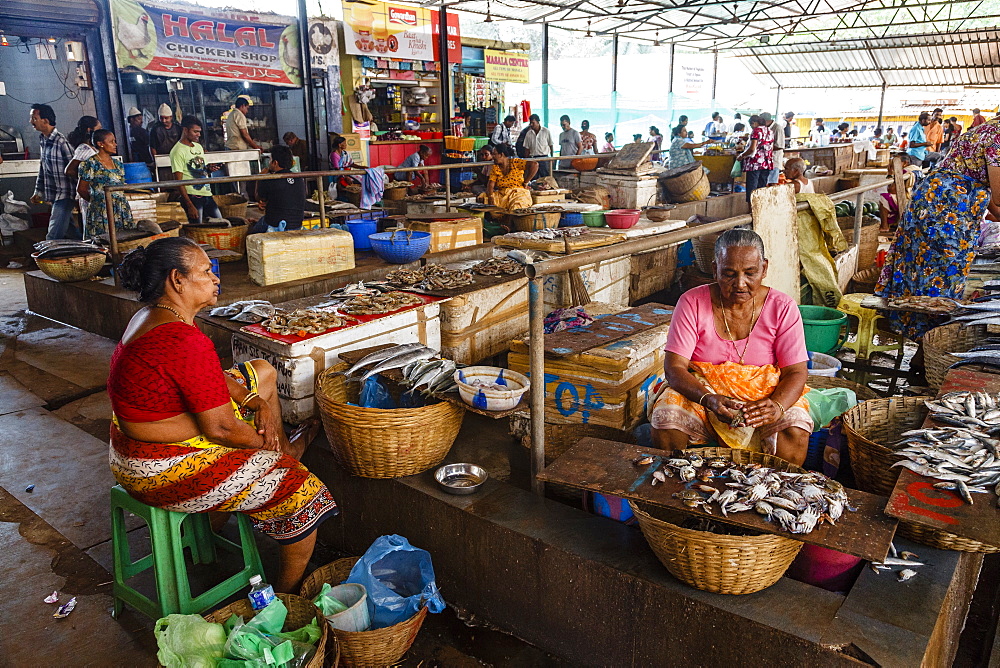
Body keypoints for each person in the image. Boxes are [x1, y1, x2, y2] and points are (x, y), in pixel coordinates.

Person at [108, 236, 336, 593]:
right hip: (155, 466)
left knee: (263, 372)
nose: (215, 277)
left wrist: (252, 400)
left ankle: (224, 512)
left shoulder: (154, 316)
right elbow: (221, 429)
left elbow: (209, 375)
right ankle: (288, 594)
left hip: (131, 445)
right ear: (177, 280)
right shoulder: (182, 339)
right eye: (205, 271)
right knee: (301, 490)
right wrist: (266, 445)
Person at [649, 229, 811, 464]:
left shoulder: (783, 307)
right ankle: (676, 480)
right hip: (705, 396)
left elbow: (796, 372)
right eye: (729, 274)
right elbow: (675, 368)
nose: (740, 284)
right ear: (714, 270)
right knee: (667, 415)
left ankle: (775, 488)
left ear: (764, 269)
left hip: (764, 398)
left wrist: (777, 405)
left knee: (794, 424)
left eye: (750, 273)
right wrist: (708, 399)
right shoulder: (691, 302)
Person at [875, 117, 1000, 380]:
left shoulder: (986, 131)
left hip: (941, 205)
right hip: (944, 212)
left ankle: (922, 361)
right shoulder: (997, 137)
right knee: (940, 284)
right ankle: (924, 364)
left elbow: (991, 198)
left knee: (935, 281)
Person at [29, 103, 79, 241]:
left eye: (34, 118)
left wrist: (80, 196)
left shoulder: (61, 142)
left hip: (65, 195)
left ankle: (47, 259)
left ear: (45, 121)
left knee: (53, 236)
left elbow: (75, 170)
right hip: (54, 194)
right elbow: (43, 168)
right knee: (70, 233)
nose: (31, 121)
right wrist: (38, 191)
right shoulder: (43, 140)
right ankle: (86, 253)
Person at [77, 130, 136, 238]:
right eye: (111, 142)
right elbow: (81, 189)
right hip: (101, 211)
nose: (115, 144)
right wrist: (98, 201)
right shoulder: (90, 163)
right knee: (104, 242)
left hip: (121, 209)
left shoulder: (118, 164)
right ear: (101, 144)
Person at [170, 117, 222, 223]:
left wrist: (209, 169)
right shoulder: (177, 151)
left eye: (199, 132)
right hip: (192, 196)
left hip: (207, 193)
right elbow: (179, 182)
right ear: (185, 130)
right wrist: (189, 205)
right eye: (195, 131)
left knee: (221, 223)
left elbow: (201, 170)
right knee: (197, 228)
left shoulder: (198, 147)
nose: (198, 134)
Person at [249, 145, 306, 234]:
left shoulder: (270, 179)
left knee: (250, 235)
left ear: (275, 163)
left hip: (275, 224)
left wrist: (260, 177)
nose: (269, 162)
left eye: (270, 160)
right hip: (297, 225)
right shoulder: (299, 179)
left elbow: (258, 197)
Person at [65, 115, 102, 237]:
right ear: (89, 130)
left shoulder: (91, 148)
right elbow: (69, 170)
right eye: (98, 129)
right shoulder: (84, 148)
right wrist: (88, 178)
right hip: (87, 192)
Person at [483, 144, 538, 211]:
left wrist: (526, 181)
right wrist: (490, 196)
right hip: (503, 195)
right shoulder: (495, 167)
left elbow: (534, 165)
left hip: (517, 193)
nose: (493, 157)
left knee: (516, 207)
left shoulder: (516, 162)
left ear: (501, 155)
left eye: (494, 154)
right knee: (483, 198)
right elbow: (491, 184)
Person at [737, 114, 774, 204]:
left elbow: (752, 148)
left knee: (752, 189)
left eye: (751, 125)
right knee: (761, 187)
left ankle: (751, 210)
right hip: (767, 162)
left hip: (755, 163)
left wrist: (742, 156)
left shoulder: (756, 131)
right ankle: (760, 208)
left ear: (754, 123)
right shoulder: (770, 131)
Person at [515, 114, 553, 178]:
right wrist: (526, 160)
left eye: (533, 123)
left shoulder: (546, 132)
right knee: (533, 177)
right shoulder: (528, 133)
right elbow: (527, 148)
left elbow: (550, 145)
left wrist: (552, 158)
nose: (531, 125)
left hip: (544, 158)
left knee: (546, 177)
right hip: (533, 158)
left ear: (538, 122)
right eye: (530, 123)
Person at [761, 112, 785, 184]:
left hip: (774, 160)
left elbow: (780, 146)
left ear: (766, 120)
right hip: (766, 160)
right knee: (765, 182)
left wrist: (764, 147)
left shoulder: (777, 128)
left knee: (772, 182)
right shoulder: (766, 128)